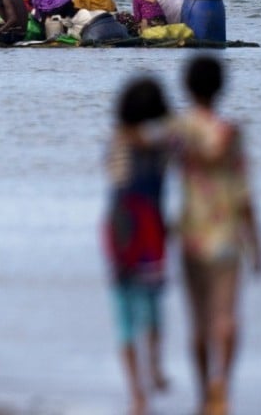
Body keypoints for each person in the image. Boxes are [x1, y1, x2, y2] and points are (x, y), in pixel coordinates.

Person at [172, 56, 261, 415]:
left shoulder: (181, 132)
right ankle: (221, 385)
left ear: (187, 87)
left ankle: (201, 394)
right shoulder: (232, 134)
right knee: (226, 315)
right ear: (221, 88)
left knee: (198, 319)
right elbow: (244, 193)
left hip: (192, 233)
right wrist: (257, 243)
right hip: (227, 233)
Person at [104, 76, 172, 415]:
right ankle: (155, 369)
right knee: (151, 309)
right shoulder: (162, 149)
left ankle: (136, 393)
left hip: (121, 230)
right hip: (153, 231)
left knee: (124, 315)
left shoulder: (116, 145)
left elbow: (116, 187)